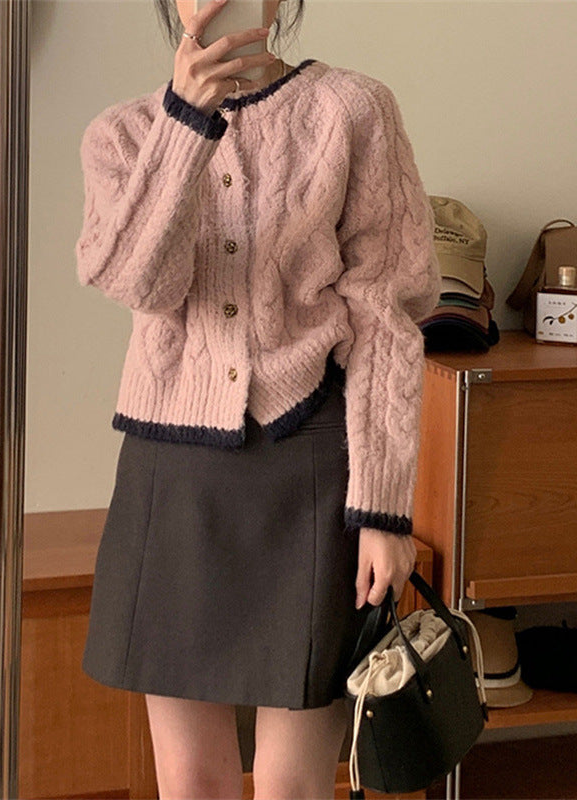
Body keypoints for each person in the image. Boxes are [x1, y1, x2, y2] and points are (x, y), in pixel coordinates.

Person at [75, 0, 442, 797]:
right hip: (172, 472)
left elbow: (386, 315)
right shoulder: (123, 134)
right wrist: (183, 123)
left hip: (309, 463)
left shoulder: (353, 110)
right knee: (189, 781)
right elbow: (139, 282)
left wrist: (383, 510)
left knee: (293, 785)